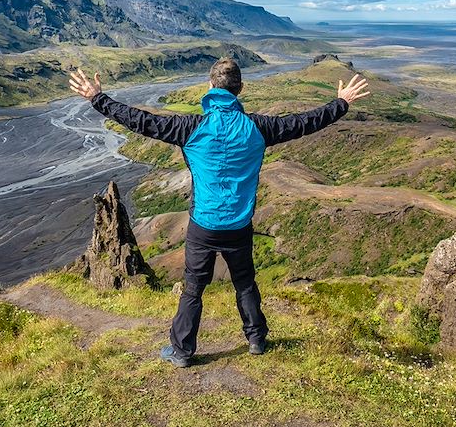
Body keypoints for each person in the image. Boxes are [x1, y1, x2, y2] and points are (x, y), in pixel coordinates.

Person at [69, 58, 369, 368]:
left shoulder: (190, 128)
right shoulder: (259, 128)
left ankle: (182, 351)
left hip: (204, 225)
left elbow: (140, 120)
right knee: (245, 281)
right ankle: (256, 339)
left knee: (193, 288)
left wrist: (97, 98)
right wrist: (341, 103)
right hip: (239, 224)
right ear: (240, 90)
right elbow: (304, 122)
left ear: (210, 87)